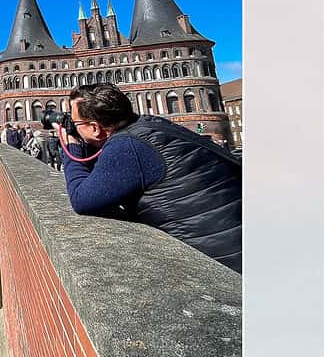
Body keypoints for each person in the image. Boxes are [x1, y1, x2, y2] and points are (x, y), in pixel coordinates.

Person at [55, 83, 241, 273]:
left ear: (95, 128)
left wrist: (73, 145)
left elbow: (81, 199)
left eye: (76, 122)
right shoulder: (149, 125)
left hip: (222, 261)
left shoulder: (127, 146)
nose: (72, 125)